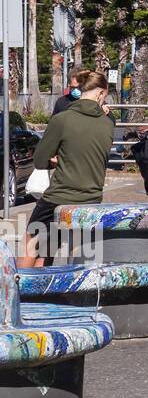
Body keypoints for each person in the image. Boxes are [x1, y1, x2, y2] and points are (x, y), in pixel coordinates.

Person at [18, 70, 114, 268]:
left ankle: (18, 292)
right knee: (53, 246)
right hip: (92, 198)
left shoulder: (62, 119)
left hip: (59, 195)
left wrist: (56, 160)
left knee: (32, 243)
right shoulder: (107, 123)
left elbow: (40, 160)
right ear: (101, 94)